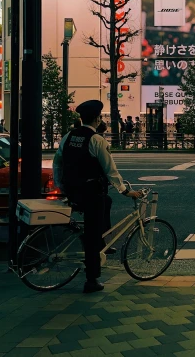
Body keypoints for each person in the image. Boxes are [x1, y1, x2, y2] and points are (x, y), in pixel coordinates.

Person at [53, 100, 142, 294]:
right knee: (92, 233)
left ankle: (102, 242)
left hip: (73, 191)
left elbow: (57, 163)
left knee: (106, 203)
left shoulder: (68, 137)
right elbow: (111, 170)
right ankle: (91, 279)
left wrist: (60, 186)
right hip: (90, 193)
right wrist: (125, 191)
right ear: (97, 118)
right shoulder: (97, 140)